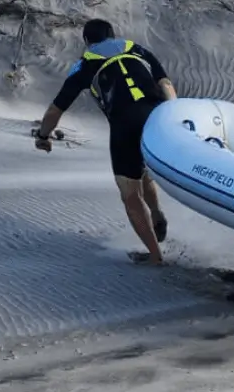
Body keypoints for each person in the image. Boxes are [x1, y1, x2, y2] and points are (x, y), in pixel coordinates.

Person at [35, 18, 177, 265]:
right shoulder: (137, 49)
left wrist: (43, 136)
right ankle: (156, 214)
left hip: (124, 124)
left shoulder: (85, 64)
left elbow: (55, 111)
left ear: (87, 42)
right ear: (113, 35)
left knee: (129, 192)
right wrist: (174, 116)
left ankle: (155, 257)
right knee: (143, 171)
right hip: (157, 117)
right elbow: (165, 83)